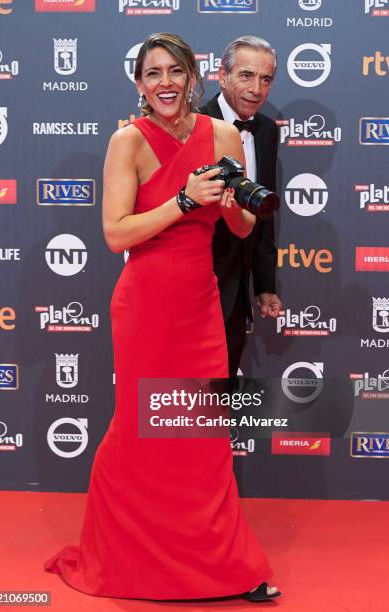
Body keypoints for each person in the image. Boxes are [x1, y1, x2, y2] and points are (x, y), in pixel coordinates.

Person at [44, 32, 280, 603]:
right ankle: (131, 563)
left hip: (200, 306)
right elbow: (114, 233)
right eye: (153, 74)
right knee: (141, 438)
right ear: (139, 84)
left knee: (199, 440)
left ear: (192, 76)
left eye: (174, 72)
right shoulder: (126, 140)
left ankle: (224, 566)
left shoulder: (222, 135)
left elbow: (244, 230)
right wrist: (182, 201)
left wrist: (230, 209)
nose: (165, 83)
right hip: (146, 307)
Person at [200, 36, 282, 378]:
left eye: (266, 79)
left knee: (221, 386)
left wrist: (265, 285)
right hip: (196, 285)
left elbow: (262, 211)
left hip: (238, 287)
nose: (257, 89)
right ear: (222, 75)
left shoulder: (265, 129)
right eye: (247, 75)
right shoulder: (193, 124)